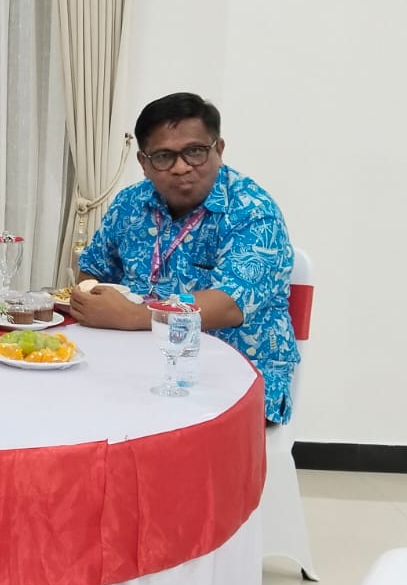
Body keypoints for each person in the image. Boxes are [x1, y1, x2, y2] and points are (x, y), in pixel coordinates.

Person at [70, 92, 300, 424]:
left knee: (146, 427)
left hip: (239, 376)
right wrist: (91, 300)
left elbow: (229, 305)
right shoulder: (129, 203)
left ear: (219, 150)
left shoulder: (253, 212)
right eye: (164, 156)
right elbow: (92, 272)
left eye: (195, 152)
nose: (181, 167)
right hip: (139, 363)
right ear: (144, 163)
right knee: (70, 405)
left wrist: (133, 316)